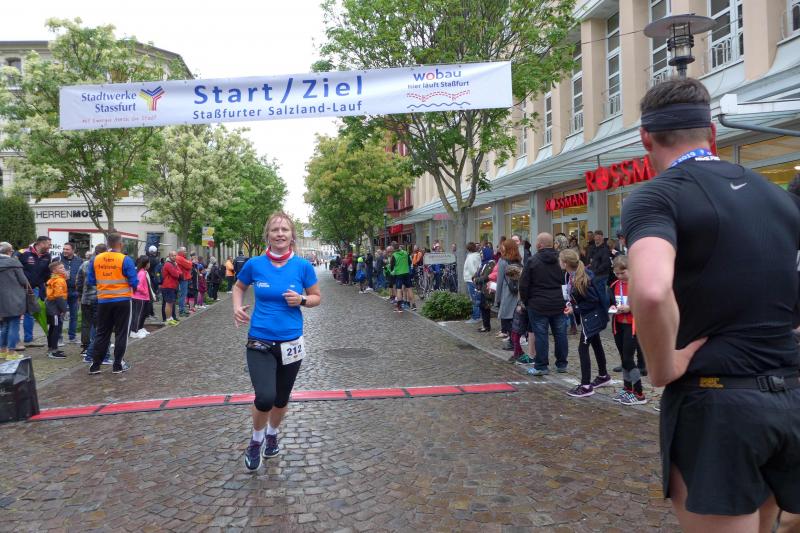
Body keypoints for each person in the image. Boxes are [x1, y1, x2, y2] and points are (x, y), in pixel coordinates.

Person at [623, 77, 800, 529]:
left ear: (646, 139)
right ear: (712, 132)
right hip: (790, 393)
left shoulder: (656, 195)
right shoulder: (777, 197)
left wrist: (662, 367)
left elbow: (651, 289)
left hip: (716, 404)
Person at [233, 212, 321, 472]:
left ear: (292, 235)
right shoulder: (255, 264)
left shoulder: (303, 266)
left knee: (281, 399)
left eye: (284, 229)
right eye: (275, 230)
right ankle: (256, 440)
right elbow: (238, 287)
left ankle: (272, 435)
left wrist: (302, 300)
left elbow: (316, 297)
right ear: (268, 235)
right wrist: (237, 307)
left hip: (291, 343)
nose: (280, 234)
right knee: (265, 397)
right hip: (260, 339)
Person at [559, 249, 610, 396]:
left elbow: (592, 301)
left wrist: (574, 309)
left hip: (591, 317)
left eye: (560, 260)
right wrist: (571, 304)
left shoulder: (582, 279)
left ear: (565, 263)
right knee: (596, 343)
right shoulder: (571, 275)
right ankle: (603, 375)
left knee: (583, 349)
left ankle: (586, 386)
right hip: (588, 316)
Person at [87, 232, 138, 374]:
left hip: (103, 300)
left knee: (102, 333)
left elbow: (91, 281)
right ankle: (118, 364)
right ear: (120, 244)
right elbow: (134, 282)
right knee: (121, 333)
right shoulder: (125, 259)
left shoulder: (96, 259)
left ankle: (95, 365)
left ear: (107, 243)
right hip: (122, 300)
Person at [519, 233, 569, 375]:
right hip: (558, 302)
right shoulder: (560, 260)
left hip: (538, 303)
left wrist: (526, 301)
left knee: (541, 335)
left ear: (540, 244)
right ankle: (562, 364)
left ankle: (541, 366)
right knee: (560, 334)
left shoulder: (532, 261)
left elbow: (524, 284)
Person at [608, 255, 646, 405]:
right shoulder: (614, 285)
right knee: (623, 358)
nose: (619, 276)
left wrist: (631, 308)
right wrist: (612, 307)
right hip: (618, 325)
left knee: (629, 359)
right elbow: (611, 302)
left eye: (623, 273)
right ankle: (627, 388)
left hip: (633, 326)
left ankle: (639, 393)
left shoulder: (638, 285)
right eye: (617, 273)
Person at [77, 244, 110, 363]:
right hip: (98, 298)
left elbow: (78, 281)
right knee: (99, 327)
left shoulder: (84, 264)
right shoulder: (102, 264)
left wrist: (80, 295)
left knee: (87, 324)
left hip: (85, 299)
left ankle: (87, 347)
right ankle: (93, 351)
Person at [20, 236, 52, 347]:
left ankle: (28, 340)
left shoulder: (47, 256)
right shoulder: (24, 253)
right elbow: (17, 269)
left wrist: (45, 285)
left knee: (30, 313)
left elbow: (47, 273)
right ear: (41, 243)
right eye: (48, 244)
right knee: (16, 313)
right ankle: (14, 341)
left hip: (36, 289)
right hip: (21, 287)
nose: (50, 246)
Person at [0, 242, 28, 361]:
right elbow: (23, 281)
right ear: (9, 251)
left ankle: (2, 351)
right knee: (14, 324)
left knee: (5, 325)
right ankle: (11, 352)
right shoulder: (14, 263)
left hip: (1, 299)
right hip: (14, 298)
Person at [495, 242, 523, 350]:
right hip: (518, 293)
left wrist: (497, 299)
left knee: (507, 319)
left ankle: (512, 343)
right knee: (515, 320)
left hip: (507, 293)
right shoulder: (519, 260)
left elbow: (500, 281)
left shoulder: (503, 261)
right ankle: (514, 341)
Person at [58, 242, 84, 345]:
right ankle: (59, 337)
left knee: (74, 315)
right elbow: (51, 274)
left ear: (73, 250)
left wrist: (80, 291)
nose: (64, 251)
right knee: (60, 315)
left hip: (74, 292)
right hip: (61, 291)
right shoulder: (58, 259)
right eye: (64, 249)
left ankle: (72, 337)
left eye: (67, 249)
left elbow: (82, 275)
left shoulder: (79, 260)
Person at [45, 261, 68, 359]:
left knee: (52, 328)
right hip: (55, 308)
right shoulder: (59, 280)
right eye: (61, 268)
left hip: (52, 306)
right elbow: (59, 296)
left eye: (63, 267)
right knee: (56, 329)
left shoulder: (54, 279)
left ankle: (51, 348)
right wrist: (64, 309)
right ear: (54, 271)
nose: (63, 269)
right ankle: (53, 351)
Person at [588, 230, 612, 313]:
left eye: (599, 237)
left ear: (602, 237)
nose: (597, 239)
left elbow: (606, 264)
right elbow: (590, 260)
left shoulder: (605, 249)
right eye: (595, 237)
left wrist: (595, 271)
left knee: (602, 295)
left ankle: (605, 311)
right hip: (594, 275)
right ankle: (600, 311)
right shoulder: (592, 248)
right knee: (596, 294)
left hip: (602, 275)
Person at [130, 256, 153, 339]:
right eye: (149, 262)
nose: (150, 264)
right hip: (140, 297)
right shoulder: (142, 273)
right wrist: (145, 292)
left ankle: (139, 329)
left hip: (142, 297)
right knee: (138, 315)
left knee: (142, 315)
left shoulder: (143, 272)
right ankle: (134, 331)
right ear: (146, 264)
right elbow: (138, 286)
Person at [390, 242, 414, 312]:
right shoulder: (406, 253)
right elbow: (410, 262)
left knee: (399, 290)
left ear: (393, 248)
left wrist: (393, 271)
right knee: (409, 289)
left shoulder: (394, 255)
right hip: (406, 273)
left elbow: (391, 266)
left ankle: (399, 307)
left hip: (399, 274)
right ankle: (413, 305)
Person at [463, 242, 482, 324]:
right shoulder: (477, 255)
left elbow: (472, 269)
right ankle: (479, 316)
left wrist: (474, 278)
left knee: (474, 299)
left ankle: (476, 317)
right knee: (477, 298)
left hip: (471, 280)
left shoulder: (470, 257)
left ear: (468, 249)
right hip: (476, 279)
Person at [161, 251, 180, 326]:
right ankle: (168, 319)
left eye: (175, 255)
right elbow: (176, 274)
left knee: (171, 303)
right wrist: (177, 270)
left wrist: (177, 270)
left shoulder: (173, 264)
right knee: (168, 303)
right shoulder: (168, 264)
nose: (174, 257)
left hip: (172, 286)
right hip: (168, 286)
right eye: (172, 256)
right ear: (169, 256)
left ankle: (171, 318)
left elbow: (179, 273)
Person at [175, 248, 192, 316]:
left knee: (183, 295)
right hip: (183, 278)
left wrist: (189, 262)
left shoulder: (181, 258)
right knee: (183, 295)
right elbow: (189, 266)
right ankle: (181, 310)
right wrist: (190, 262)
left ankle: (182, 309)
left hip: (184, 278)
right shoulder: (180, 258)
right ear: (181, 252)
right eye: (184, 251)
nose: (186, 252)